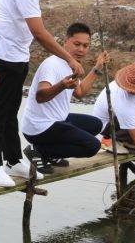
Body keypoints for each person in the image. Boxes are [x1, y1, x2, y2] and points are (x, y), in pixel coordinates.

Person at [0, 0, 84, 187]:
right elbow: (39, 32)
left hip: (17, 53)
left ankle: (14, 159)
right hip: (4, 52)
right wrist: (69, 58)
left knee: (11, 108)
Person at [21, 23, 108, 173]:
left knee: (96, 125)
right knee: (93, 146)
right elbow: (40, 96)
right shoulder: (52, 64)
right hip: (39, 127)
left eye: (85, 46)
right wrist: (61, 85)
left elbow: (79, 93)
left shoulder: (72, 64)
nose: (81, 49)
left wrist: (97, 68)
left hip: (58, 120)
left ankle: (51, 151)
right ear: (65, 42)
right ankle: (42, 152)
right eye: (77, 44)